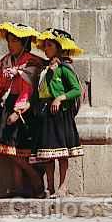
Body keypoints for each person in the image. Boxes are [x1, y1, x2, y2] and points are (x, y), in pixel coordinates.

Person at [0, 22, 45, 197]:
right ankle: (18, 186)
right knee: (10, 149)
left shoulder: (32, 63)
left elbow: (28, 89)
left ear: (24, 42)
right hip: (7, 105)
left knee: (16, 150)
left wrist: (18, 112)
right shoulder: (5, 62)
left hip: (23, 109)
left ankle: (34, 178)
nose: (10, 45)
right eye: (9, 41)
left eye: (15, 41)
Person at [32, 28, 84, 198]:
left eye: (49, 45)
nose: (45, 49)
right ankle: (50, 187)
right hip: (46, 114)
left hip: (60, 115)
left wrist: (60, 98)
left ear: (58, 47)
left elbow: (76, 90)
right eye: (45, 45)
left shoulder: (64, 68)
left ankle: (63, 187)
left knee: (62, 154)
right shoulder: (45, 69)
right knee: (48, 154)